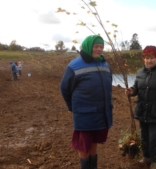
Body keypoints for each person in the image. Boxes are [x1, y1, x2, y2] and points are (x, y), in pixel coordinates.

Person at [60, 35, 113, 169]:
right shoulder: (74, 65)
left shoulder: (104, 64)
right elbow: (65, 88)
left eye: (101, 47)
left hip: (101, 113)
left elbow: (108, 84)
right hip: (84, 113)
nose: (99, 49)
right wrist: (71, 107)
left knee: (94, 141)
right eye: (96, 46)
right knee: (83, 144)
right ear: (88, 47)